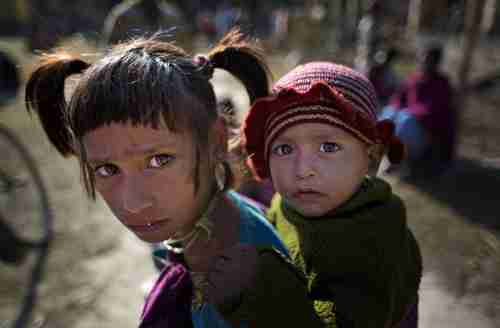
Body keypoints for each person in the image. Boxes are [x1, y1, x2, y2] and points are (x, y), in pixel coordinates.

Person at [25, 29, 324, 328]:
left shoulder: (235, 284)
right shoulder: (219, 224)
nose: (132, 202)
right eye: (107, 169)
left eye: (159, 160)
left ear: (217, 141)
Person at [242, 62, 423, 328]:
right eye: (283, 149)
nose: (303, 170)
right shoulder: (285, 204)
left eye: (328, 146)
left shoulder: (378, 237)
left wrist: (256, 290)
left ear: (370, 157)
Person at [382, 43, 457, 177]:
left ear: (436, 62)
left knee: (405, 121)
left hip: (426, 132)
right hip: (408, 123)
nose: (425, 62)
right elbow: (398, 99)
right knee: (388, 114)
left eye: (430, 59)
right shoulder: (414, 78)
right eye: (424, 58)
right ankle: (392, 159)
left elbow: (433, 111)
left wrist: (407, 112)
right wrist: (396, 110)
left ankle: (404, 161)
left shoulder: (442, 83)